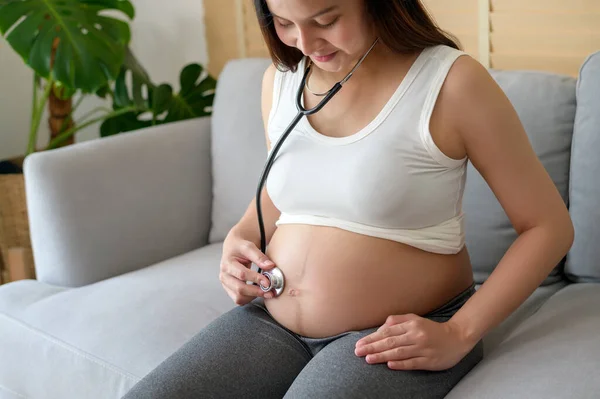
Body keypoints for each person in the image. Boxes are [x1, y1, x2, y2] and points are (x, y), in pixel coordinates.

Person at [123, 0, 574, 398]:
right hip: (273, 322)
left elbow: (548, 227)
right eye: (283, 22)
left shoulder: (452, 82)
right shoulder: (280, 82)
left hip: (396, 332)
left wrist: (458, 332)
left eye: (326, 19)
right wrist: (238, 239)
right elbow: (283, 191)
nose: (304, 42)